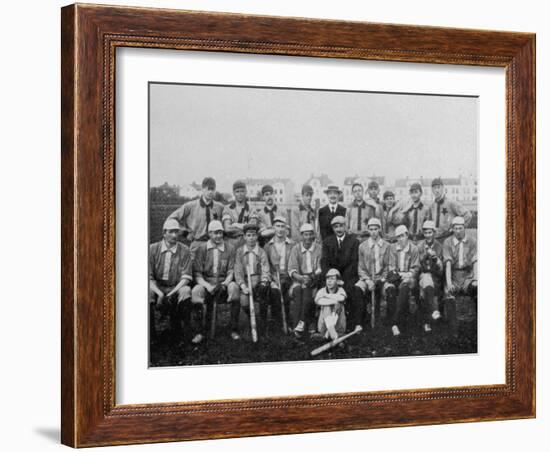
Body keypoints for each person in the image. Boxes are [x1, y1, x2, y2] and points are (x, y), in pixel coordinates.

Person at [190, 220, 241, 343]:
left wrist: (225, 284)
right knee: (196, 291)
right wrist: (207, 286)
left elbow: (230, 271)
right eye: (215, 233)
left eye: (220, 233)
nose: (218, 236)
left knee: (234, 288)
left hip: (224, 283)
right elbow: (197, 273)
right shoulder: (201, 249)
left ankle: (233, 329)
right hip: (206, 283)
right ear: (209, 234)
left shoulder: (230, 248)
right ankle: (199, 332)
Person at [149, 218, 193, 343]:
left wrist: (171, 293)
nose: (174, 235)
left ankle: (180, 332)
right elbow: (148, 276)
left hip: (176, 286)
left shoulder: (184, 250)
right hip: (157, 286)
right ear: (164, 233)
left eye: (176, 232)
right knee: (147, 293)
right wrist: (159, 293)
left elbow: (186, 276)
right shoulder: (152, 249)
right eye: (171, 232)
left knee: (186, 291)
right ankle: (151, 334)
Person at [351, 218, 391, 331]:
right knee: (357, 288)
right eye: (371, 229)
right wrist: (367, 280)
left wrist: (382, 278)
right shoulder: (362, 246)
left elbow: (388, 266)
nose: (373, 232)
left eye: (376, 229)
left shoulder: (386, 246)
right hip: (367, 277)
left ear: (379, 229)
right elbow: (361, 267)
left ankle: (380, 321)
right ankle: (359, 321)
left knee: (382, 290)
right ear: (368, 230)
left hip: (381, 277)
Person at [233, 223, 272, 338]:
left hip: (258, 282)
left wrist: (264, 281)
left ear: (257, 237)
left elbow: (266, 269)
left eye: (253, 235)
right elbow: (238, 271)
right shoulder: (240, 252)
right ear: (244, 237)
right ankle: (251, 319)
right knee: (244, 302)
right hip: (246, 282)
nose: (251, 238)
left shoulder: (261, 252)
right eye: (248, 235)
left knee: (263, 298)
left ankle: (263, 324)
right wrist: (243, 286)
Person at [167, 177, 224, 254]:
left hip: (215, 244)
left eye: (212, 189)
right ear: (202, 189)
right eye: (208, 189)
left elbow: (226, 222)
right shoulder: (190, 206)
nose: (210, 192)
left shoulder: (219, 207)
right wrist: (185, 233)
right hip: (197, 244)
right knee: (194, 264)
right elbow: (171, 219)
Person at [320, 215, 359, 325]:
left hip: (349, 276)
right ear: (333, 229)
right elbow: (325, 262)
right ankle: (326, 321)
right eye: (336, 227)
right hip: (332, 277)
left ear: (346, 227)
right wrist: (334, 278)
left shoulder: (354, 241)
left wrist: (343, 280)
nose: (339, 229)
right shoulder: (327, 242)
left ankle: (349, 321)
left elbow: (354, 263)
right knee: (326, 290)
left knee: (351, 289)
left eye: (341, 226)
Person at [442, 216, 477, 335]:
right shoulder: (448, 242)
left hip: (468, 275)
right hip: (454, 275)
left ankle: (479, 325)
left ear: (464, 228)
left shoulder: (472, 241)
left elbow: (475, 261)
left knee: (478, 290)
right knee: (449, 295)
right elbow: (447, 264)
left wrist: (476, 279)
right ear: (452, 229)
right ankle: (453, 330)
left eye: (460, 228)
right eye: (455, 228)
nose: (458, 231)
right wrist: (449, 283)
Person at [288, 223, 323, 338]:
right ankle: (300, 324)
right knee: (298, 291)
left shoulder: (318, 248)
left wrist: (310, 277)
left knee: (308, 290)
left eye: (310, 235)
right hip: (299, 279)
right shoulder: (296, 249)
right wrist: (301, 278)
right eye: (305, 235)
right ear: (301, 236)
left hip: (314, 279)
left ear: (313, 235)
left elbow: (319, 267)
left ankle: (301, 323)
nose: (308, 238)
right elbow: (292, 269)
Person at [385, 224, 420, 336]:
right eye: (398, 237)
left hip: (409, 278)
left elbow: (416, 267)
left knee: (405, 287)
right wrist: (398, 275)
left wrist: (408, 275)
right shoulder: (393, 248)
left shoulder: (413, 249)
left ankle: (395, 322)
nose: (401, 239)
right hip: (396, 277)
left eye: (403, 236)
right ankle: (397, 319)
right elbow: (391, 266)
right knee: (390, 289)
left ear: (407, 235)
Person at [264, 216, 295, 333]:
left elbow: (294, 264)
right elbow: (266, 266)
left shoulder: (292, 244)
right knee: (274, 292)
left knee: (285, 291)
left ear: (286, 229)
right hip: (273, 278)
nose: (280, 229)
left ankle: (286, 321)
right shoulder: (268, 246)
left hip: (288, 277)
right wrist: (272, 281)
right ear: (274, 228)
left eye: (283, 227)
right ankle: (277, 322)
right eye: (278, 226)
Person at [416, 220, 444, 333]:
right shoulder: (419, 246)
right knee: (425, 281)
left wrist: (436, 259)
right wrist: (424, 256)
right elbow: (417, 264)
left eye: (430, 232)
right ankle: (433, 312)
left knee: (426, 291)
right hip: (423, 275)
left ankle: (427, 322)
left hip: (436, 276)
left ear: (434, 233)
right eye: (425, 232)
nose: (427, 235)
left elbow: (441, 268)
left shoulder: (438, 246)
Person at [315, 269, 348, 340]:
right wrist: (334, 301)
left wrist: (326, 296)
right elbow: (318, 300)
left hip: (339, 328)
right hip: (324, 327)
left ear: (338, 281)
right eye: (327, 279)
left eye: (332, 279)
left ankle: (330, 332)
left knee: (339, 304)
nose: (329, 281)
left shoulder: (341, 290)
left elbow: (341, 298)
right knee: (326, 305)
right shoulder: (322, 290)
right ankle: (331, 331)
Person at [222, 180, 254, 250]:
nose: (240, 194)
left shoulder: (251, 209)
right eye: (237, 191)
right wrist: (245, 227)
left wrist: (235, 225)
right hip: (230, 244)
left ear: (246, 192)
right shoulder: (227, 209)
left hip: (247, 244)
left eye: (242, 191)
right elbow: (227, 229)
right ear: (233, 193)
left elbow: (252, 228)